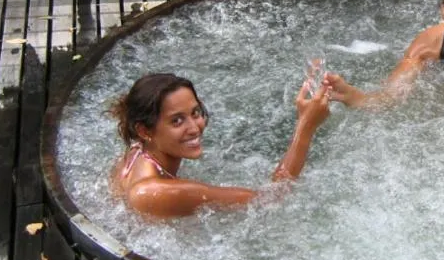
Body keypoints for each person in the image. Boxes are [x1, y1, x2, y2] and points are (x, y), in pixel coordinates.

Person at [111, 73, 331, 217]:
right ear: (145, 130)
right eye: (176, 121)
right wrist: (306, 125)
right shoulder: (155, 192)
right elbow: (270, 201)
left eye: (195, 113)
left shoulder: (137, 152)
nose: (194, 128)